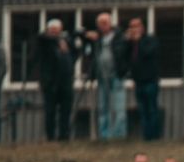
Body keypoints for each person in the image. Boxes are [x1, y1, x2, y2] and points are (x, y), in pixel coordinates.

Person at [80, 12, 127, 141]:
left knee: (118, 107)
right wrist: (86, 35)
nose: (103, 26)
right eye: (100, 24)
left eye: (105, 23)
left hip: (116, 75)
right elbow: (81, 41)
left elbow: (124, 53)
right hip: (102, 77)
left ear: (110, 23)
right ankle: (104, 135)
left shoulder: (119, 36)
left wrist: (123, 70)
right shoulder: (97, 39)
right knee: (103, 107)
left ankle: (119, 135)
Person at [37, 19, 76, 142]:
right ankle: (50, 137)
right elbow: (41, 37)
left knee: (65, 111)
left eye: (57, 30)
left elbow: (76, 51)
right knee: (50, 112)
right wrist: (57, 40)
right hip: (51, 83)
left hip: (66, 82)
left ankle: (64, 136)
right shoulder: (45, 42)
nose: (55, 32)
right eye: (52, 30)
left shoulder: (67, 41)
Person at [124, 16, 162, 141]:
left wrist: (138, 41)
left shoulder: (150, 40)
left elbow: (147, 53)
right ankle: (146, 136)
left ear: (142, 27)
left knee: (152, 109)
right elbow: (125, 57)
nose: (134, 29)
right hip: (138, 81)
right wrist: (127, 42)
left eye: (136, 26)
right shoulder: (131, 44)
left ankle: (155, 137)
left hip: (150, 80)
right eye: (132, 27)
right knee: (142, 110)